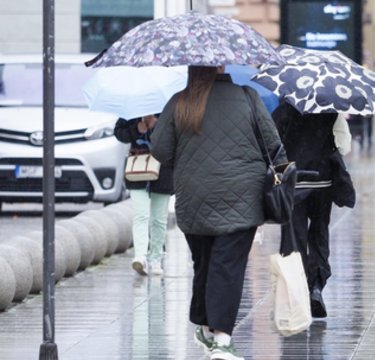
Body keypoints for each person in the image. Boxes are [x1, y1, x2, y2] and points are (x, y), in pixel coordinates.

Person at [151, 66, 286, 360]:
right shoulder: (248, 97)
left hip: (193, 195)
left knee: (205, 262)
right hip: (242, 196)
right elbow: (273, 144)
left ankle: (205, 325)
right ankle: (222, 341)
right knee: (227, 266)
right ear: (222, 68)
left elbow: (160, 150)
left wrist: (189, 155)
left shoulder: (180, 101)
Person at [271, 102, 355, 318]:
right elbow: (344, 146)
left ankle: (296, 291)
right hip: (322, 181)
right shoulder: (330, 111)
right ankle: (316, 287)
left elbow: (271, 142)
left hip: (294, 181)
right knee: (319, 233)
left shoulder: (284, 110)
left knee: (294, 236)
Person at [114, 114, 173, 276]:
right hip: (137, 169)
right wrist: (138, 128)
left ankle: (156, 258)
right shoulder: (132, 110)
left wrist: (157, 125)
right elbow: (119, 133)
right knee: (140, 214)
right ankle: (140, 256)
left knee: (158, 218)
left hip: (163, 169)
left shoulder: (168, 108)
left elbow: (177, 136)